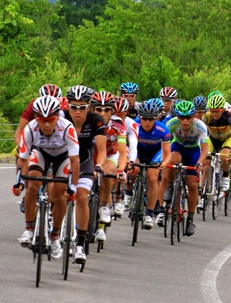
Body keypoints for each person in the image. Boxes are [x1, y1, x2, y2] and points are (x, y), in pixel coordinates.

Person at [17, 95, 80, 260]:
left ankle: (55, 236)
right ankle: (29, 229)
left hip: (63, 157)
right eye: (41, 119)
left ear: (57, 117)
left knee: (60, 195)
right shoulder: (30, 128)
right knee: (32, 184)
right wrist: (22, 182)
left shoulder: (67, 128)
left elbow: (75, 161)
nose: (46, 124)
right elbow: (23, 158)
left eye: (50, 120)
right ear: (36, 118)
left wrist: (72, 187)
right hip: (41, 154)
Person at [63, 85, 106, 264]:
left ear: (89, 106)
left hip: (85, 159)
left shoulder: (96, 120)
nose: (77, 111)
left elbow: (101, 150)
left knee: (81, 197)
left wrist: (98, 165)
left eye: (82, 107)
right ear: (68, 106)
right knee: (56, 191)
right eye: (74, 107)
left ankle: (80, 244)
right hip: (63, 159)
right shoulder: (62, 117)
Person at [160, 100, 209, 237]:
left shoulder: (200, 126)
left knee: (192, 184)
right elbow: (163, 144)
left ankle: (191, 219)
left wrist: (199, 163)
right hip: (178, 147)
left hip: (193, 152)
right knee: (172, 160)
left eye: (188, 117)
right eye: (182, 117)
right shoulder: (171, 124)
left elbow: (205, 150)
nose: (185, 121)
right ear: (177, 117)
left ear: (193, 116)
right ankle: (170, 186)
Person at [90, 90, 128, 242]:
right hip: (90, 154)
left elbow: (123, 151)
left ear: (112, 111)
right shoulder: (86, 120)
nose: (103, 113)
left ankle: (104, 207)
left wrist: (121, 170)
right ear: (92, 109)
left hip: (110, 154)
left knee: (107, 172)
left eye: (107, 110)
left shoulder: (118, 124)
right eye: (98, 109)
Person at [134, 98, 171, 228]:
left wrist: (164, 163)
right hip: (138, 150)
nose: (147, 122)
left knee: (152, 177)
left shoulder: (163, 130)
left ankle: (149, 213)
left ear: (156, 118)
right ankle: (127, 193)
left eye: (151, 119)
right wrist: (134, 159)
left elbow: (167, 152)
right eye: (144, 119)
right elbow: (129, 146)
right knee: (134, 168)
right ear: (140, 117)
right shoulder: (134, 125)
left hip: (155, 153)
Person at [200, 94, 231, 203]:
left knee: (224, 157)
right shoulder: (206, 117)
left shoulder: (229, 117)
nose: (214, 114)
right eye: (212, 111)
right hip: (212, 140)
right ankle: (203, 189)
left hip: (226, 139)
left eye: (216, 111)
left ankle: (226, 176)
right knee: (206, 163)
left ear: (222, 110)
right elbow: (200, 133)